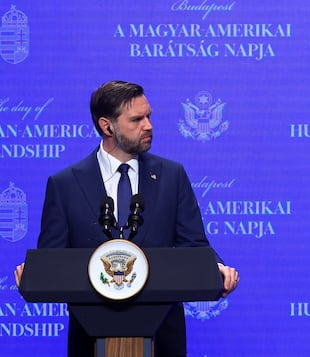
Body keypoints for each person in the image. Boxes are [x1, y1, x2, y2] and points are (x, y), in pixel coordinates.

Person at [15, 80, 239, 357]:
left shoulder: (172, 176)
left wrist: (215, 267)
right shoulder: (65, 184)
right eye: (136, 119)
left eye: (149, 116)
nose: (149, 125)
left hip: (162, 337)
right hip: (90, 337)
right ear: (107, 126)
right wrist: (38, 271)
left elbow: (193, 243)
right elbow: (53, 256)